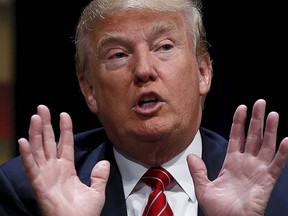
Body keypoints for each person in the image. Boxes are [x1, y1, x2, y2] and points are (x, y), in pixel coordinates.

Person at [1, 0, 288, 215]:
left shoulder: (279, 190)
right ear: (89, 90)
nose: (143, 69)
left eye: (163, 47)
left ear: (203, 72)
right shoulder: (25, 192)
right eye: (118, 54)